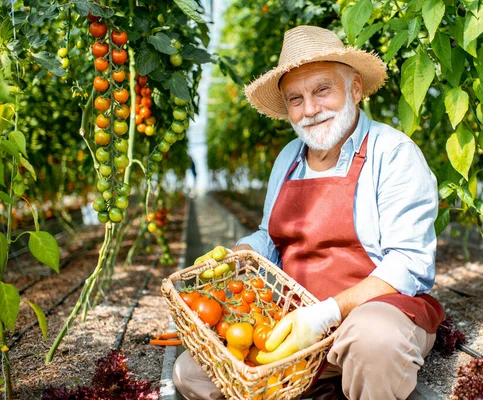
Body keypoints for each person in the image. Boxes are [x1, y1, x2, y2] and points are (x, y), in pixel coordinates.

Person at [173, 25, 445, 400]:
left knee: (375, 344)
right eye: (296, 99)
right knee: (194, 373)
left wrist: (326, 314)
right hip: (292, 320)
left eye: (322, 90)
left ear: (354, 89)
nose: (311, 110)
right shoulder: (288, 159)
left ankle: (348, 377)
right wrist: (239, 254)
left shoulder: (392, 152)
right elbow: (271, 236)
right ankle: (324, 382)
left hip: (372, 312)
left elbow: (409, 264)